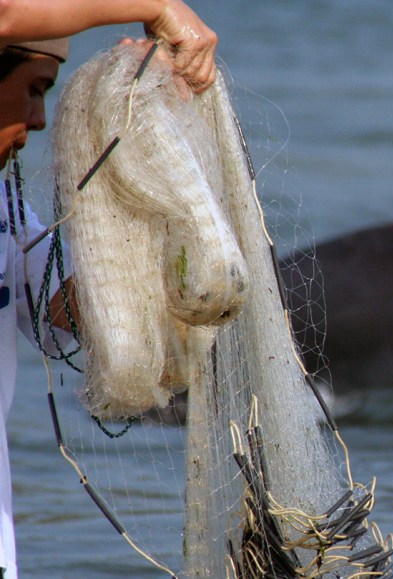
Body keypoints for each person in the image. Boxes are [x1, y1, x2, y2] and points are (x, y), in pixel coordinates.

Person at [0, 3, 217, 576]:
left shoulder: (5, 212)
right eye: (35, 89)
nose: (41, 119)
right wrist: (158, 6)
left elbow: (70, 310)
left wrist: (141, 142)